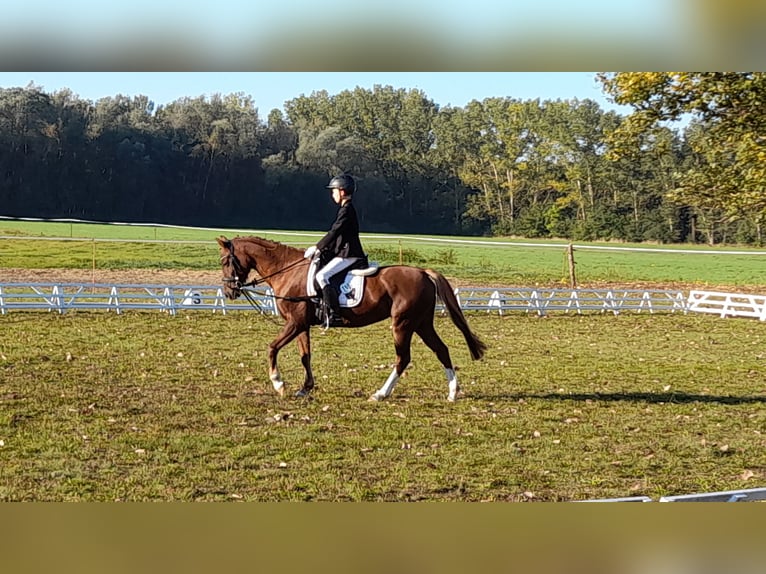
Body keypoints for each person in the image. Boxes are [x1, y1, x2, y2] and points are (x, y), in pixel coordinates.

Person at [304, 173, 366, 327]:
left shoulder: (346, 210)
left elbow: (335, 232)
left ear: (342, 191)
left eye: (334, 191)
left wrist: (318, 247)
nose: (332, 194)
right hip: (343, 252)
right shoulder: (345, 209)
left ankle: (334, 313)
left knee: (322, 276)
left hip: (349, 254)